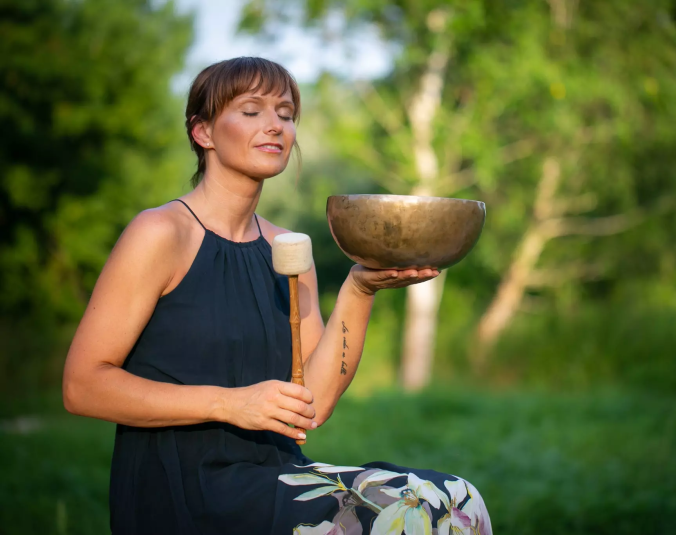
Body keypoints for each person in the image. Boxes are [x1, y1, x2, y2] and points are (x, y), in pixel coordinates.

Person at [62, 57, 491, 535]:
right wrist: (230, 404)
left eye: (285, 114)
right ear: (203, 132)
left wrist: (359, 288)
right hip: (184, 489)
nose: (275, 126)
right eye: (251, 111)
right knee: (416, 515)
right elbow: (83, 386)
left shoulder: (288, 249)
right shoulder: (161, 233)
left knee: (456, 500)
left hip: (274, 475)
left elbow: (316, 401)